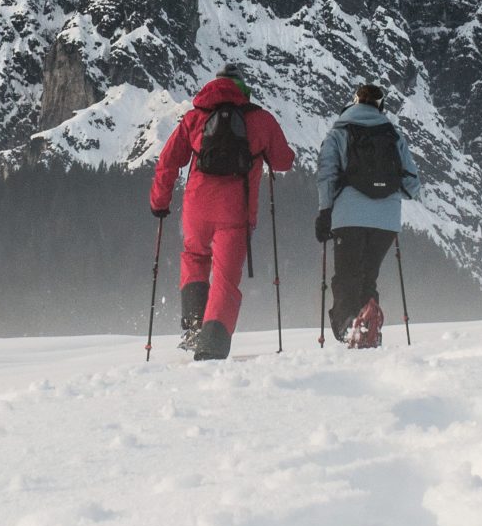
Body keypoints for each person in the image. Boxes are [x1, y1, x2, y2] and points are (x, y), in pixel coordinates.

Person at [149, 62, 296, 359]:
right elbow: (284, 161)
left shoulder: (195, 117)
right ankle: (211, 347)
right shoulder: (260, 119)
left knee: (194, 257)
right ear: (244, 88)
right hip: (236, 211)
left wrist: (159, 202)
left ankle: (194, 324)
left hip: (197, 207)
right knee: (225, 280)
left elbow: (168, 161)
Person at [315, 83, 420, 347]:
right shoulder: (393, 135)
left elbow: (326, 175)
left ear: (354, 102)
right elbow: (412, 185)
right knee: (367, 276)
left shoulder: (339, 132)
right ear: (380, 105)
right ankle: (367, 324)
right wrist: (389, 193)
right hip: (386, 221)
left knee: (346, 276)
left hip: (348, 216)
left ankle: (350, 326)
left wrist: (325, 212)